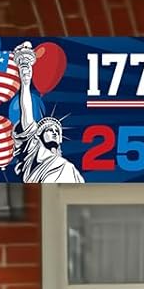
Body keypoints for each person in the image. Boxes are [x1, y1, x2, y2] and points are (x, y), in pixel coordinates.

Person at [13, 42, 85, 183]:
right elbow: (27, 112)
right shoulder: (31, 153)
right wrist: (26, 83)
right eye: (49, 130)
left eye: (57, 132)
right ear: (38, 134)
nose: (54, 132)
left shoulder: (67, 168)